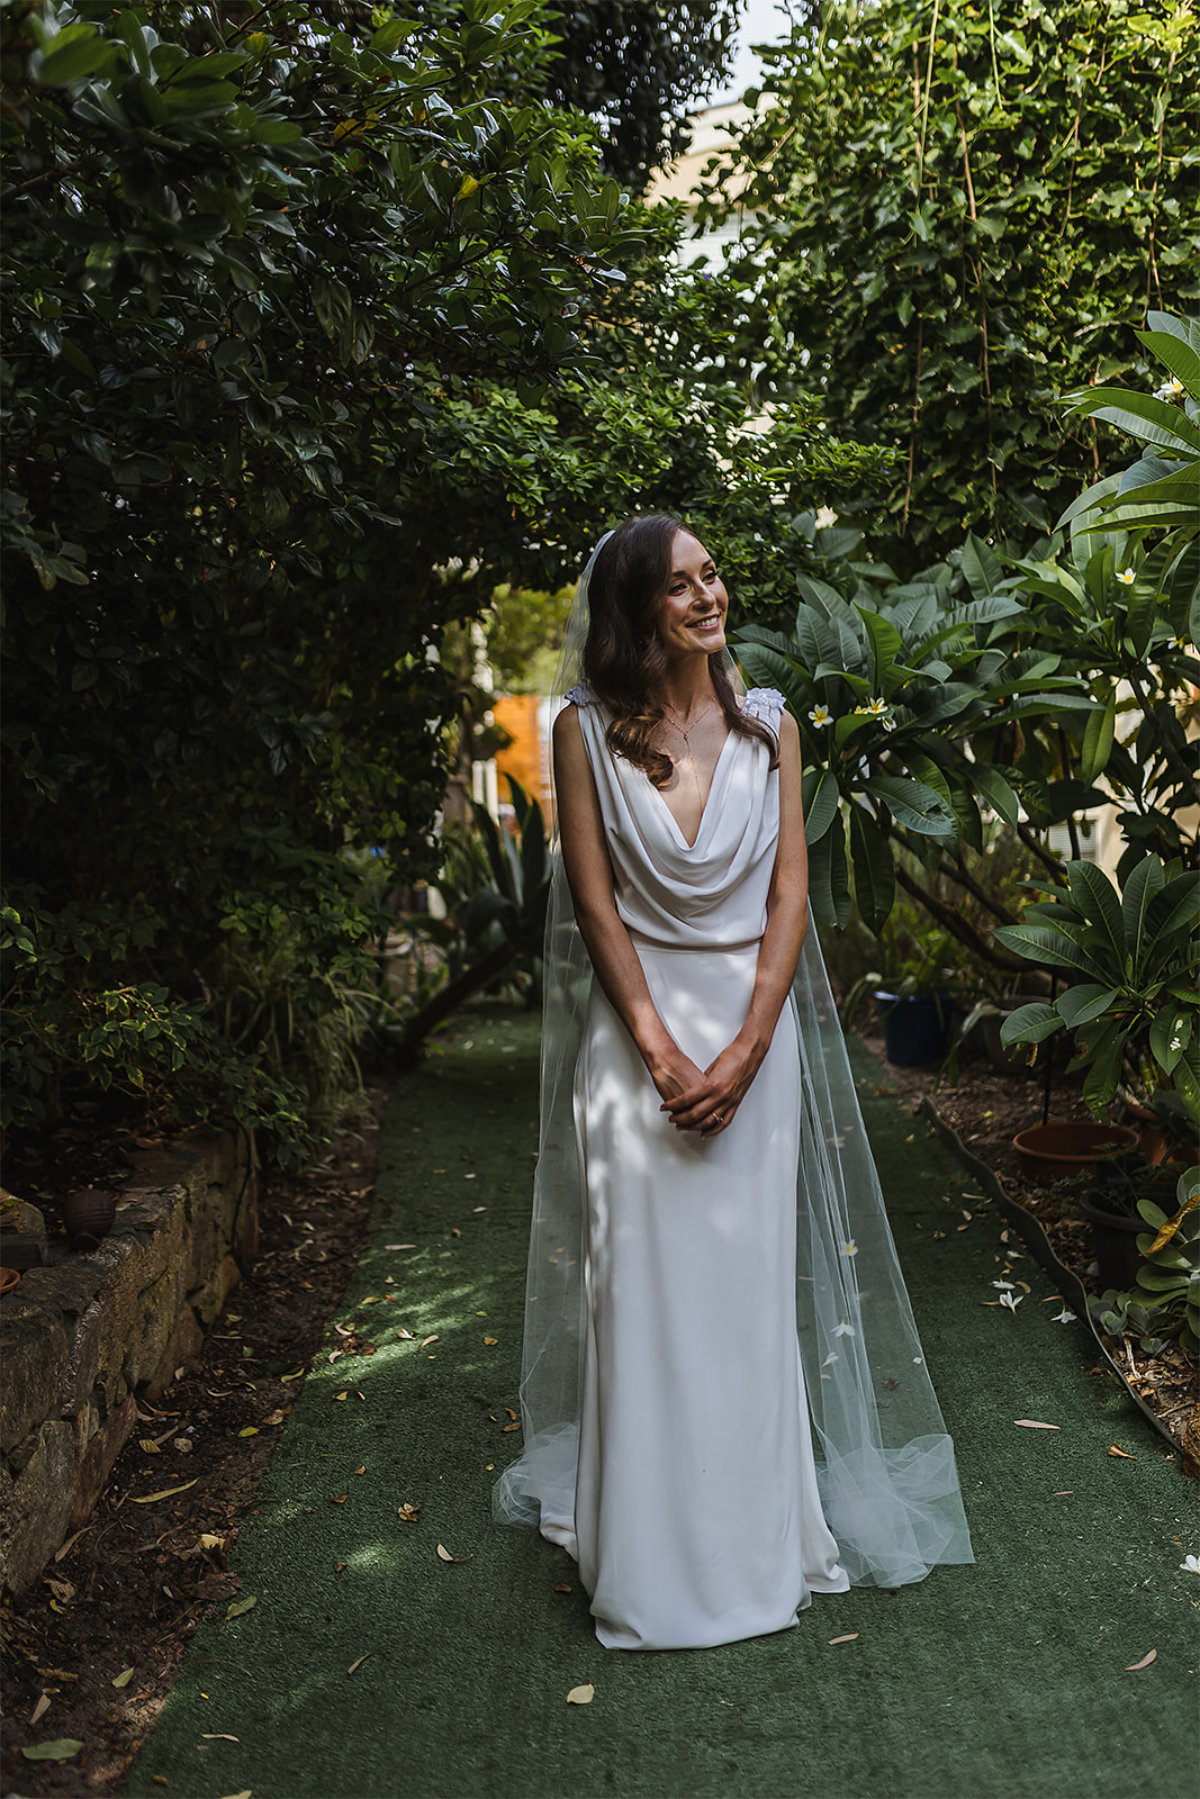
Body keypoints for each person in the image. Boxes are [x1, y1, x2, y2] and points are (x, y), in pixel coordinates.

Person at [494, 515, 973, 1651]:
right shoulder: (579, 728)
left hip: (754, 1043)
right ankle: (650, 1561)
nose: (709, 595)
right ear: (636, 610)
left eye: (714, 575)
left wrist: (752, 1048)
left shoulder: (771, 726)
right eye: (680, 584)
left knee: (743, 1301)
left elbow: (790, 899)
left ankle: (757, 1543)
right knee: (645, 1298)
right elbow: (597, 904)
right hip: (638, 1049)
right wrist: (659, 1049)